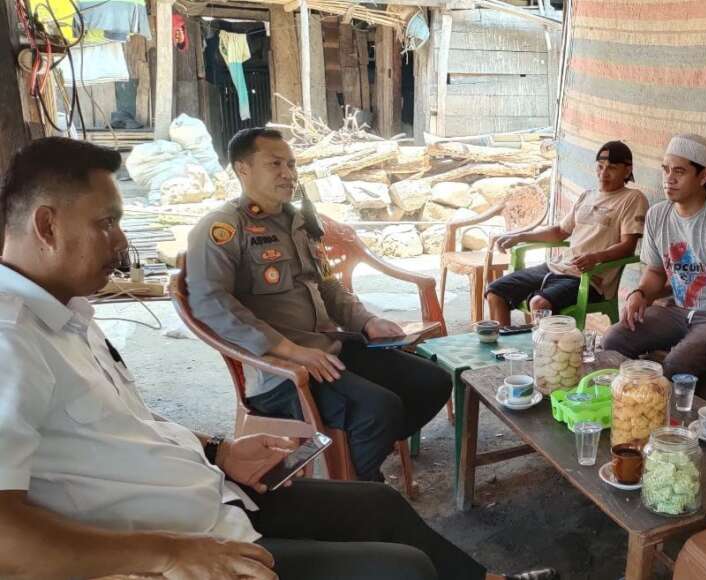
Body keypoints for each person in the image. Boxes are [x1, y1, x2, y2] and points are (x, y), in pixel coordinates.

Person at [0, 137, 558, 580]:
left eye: (291, 163)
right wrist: (169, 553)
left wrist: (217, 450)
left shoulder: (69, 315)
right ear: (47, 226)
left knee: (385, 487)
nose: (122, 242)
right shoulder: (11, 339)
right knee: (400, 558)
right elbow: (213, 308)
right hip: (188, 518)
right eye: (106, 223)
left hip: (216, 484)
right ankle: (362, 460)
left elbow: (126, 424)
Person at [186, 128, 449, 483]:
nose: (288, 173)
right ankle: (362, 488)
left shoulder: (299, 222)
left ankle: (356, 459)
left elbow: (327, 285)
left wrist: (366, 321)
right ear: (242, 169)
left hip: (329, 351)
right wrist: (292, 351)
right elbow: (209, 303)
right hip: (280, 372)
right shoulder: (223, 228)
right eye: (275, 164)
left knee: (433, 381)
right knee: (379, 409)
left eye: (291, 164)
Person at [601, 133, 706, 403]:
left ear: (703, 176)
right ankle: (633, 405)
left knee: (678, 364)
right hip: (678, 312)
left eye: (679, 171)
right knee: (613, 340)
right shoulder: (658, 215)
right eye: (665, 170)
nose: (669, 179)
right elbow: (655, 272)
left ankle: (674, 418)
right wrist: (640, 293)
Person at [486, 140, 648, 326]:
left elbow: (628, 247)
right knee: (495, 292)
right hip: (557, 267)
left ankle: (547, 345)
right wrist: (520, 236)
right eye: (600, 166)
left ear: (627, 171)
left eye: (611, 168)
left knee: (539, 304)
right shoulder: (587, 196)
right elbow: (559, 232)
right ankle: (504, 344)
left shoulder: (632, 199)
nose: (604, 173)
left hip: (589, 278)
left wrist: (595, 258)